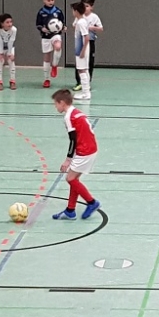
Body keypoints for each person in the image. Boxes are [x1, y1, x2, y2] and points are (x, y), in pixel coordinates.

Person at [51, 89, 100, 220]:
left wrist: (68, 160)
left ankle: (91, 202)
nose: (55, 107)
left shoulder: (68, 117)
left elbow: (73, 139)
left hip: (85, 151)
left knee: (70, 179)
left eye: (55, 104)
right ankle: (70, 210)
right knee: (74, 179)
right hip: (90, 149)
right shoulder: (76, 112)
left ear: (62, 103)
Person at [36, 0, 66, 88]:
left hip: (55, 34)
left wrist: (63, 27)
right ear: (44, 0)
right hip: (46, 36)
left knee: (58, 47)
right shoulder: (41, 12)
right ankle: (46, 79)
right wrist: (42, 29)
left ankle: (55, 65)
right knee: (47, 57)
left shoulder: (58, 11)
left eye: (52, 0)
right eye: (48, 0)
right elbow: (38, 24)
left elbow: (62, 23)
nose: (51, 2)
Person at [74, 0, 103, 91]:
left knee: (89, 62)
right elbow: (74, 25)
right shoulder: (80, 17)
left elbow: (101, 28)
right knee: (79, 63)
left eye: (87, 6)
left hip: (90, 41)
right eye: (84, 6)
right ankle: (79, 82)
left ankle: (87, 82)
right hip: (80, 42)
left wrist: (92, 28)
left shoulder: (94, 17)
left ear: (91, 7)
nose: (85, 8)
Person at [70, 2, 92, 101]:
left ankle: (85, 93)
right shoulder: (81, 21)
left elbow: (86, 37)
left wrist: (82, 51)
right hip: (81, 48)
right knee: (85, 69)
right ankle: (86, 91)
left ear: (76, 11)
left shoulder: (81, 23)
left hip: (81, 49)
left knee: (81, 70)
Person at [0, 14, 17, 91]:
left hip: (10, 46)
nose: (10, 24)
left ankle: (12, 81)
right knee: (1, 61)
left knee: (11, 61)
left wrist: (9, 53)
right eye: (7, 22)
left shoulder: (14, 30)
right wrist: (1, 53)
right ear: (2, 23)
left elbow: (11, 41)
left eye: (11, 22)